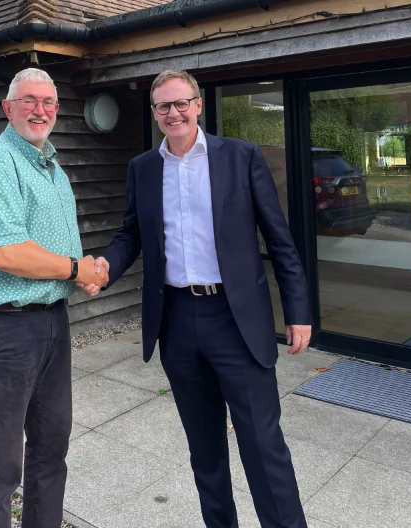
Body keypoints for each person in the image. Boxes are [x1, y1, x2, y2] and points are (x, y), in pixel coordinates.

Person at [89, 69, 312, 528]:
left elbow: (280, 239)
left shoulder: (241, 157)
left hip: (236, 320)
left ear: (198, 104)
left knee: (263, 446)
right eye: (163, 107)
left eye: (181, 103)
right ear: (154, 114)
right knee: (204, 450)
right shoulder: (144, 168)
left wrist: (298, 311)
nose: (174, 113)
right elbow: (131, 232)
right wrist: (106, 268)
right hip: (176, 321)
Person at [0, 67, 107, 528]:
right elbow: (6, 253)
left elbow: (55, 246)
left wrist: (82, 271)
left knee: (50, 444)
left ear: (57, 110)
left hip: (51, 320)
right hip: (5, 326)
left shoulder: (53, 168)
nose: (39, 110)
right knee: (0, 457)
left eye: (47, 102)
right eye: (28, 100)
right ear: (7, 108)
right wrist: (76, 269)